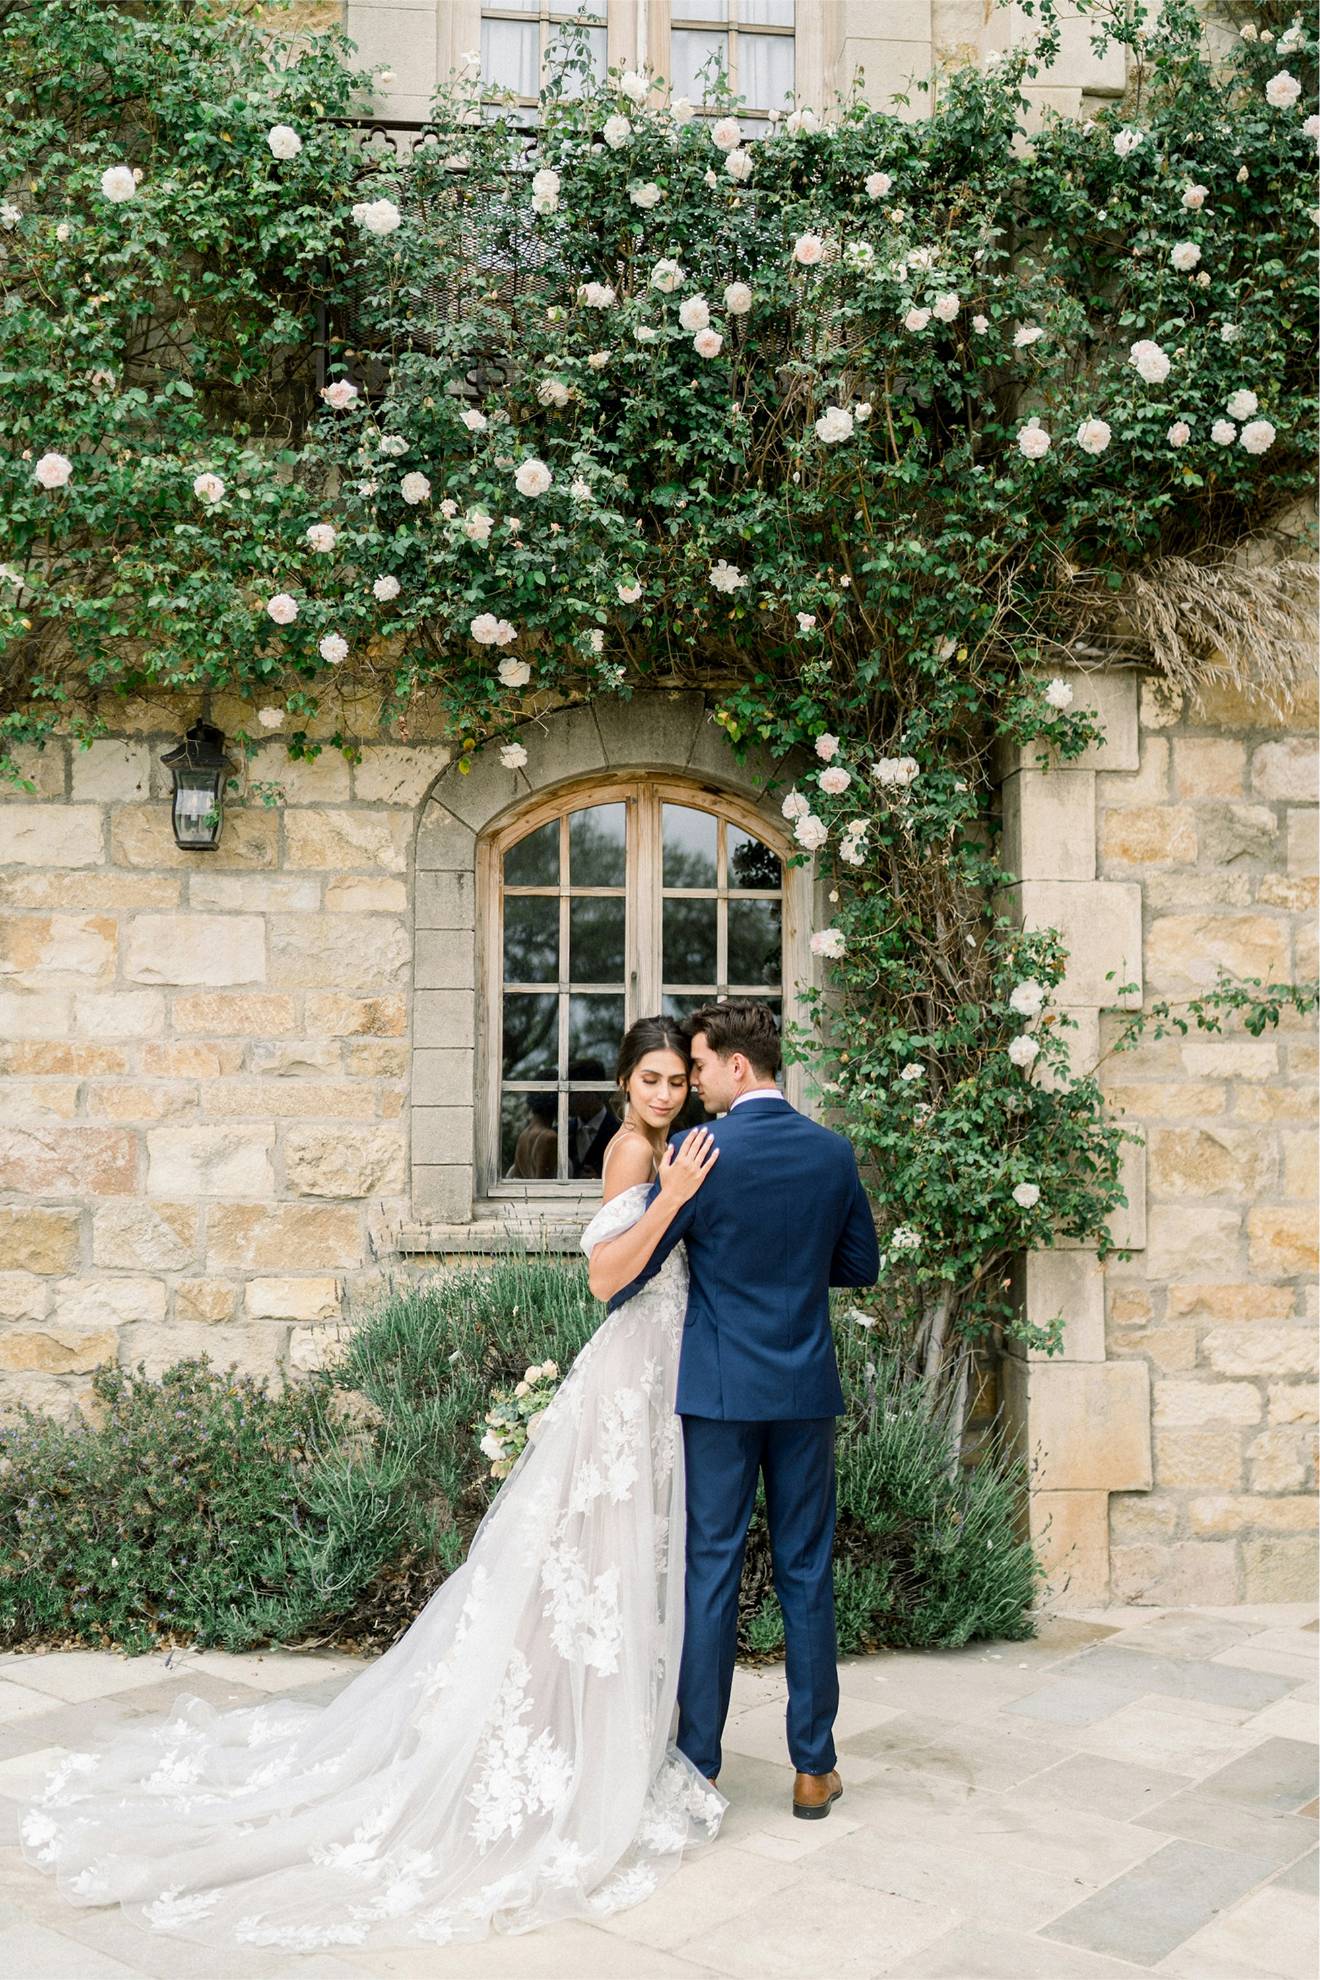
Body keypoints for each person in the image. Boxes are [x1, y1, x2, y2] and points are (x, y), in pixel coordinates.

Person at [19, 1017, 723, 1955]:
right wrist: (674, 1200)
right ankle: (568, 1738)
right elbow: (605, 1279)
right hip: (631, 1365)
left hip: (658, 1373)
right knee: (591, 1560)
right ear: (626, 1084)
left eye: (676, 1080)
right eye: (650, 1079)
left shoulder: (667, 1147)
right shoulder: (634, 1154)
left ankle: (593, 1725)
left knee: (604, 1563)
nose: (665, 1093)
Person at [588, 999, 880, 1818]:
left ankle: (702, 1766)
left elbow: (635, 1274)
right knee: (806, 1571)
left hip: (719, 1392)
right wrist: (792, 1272)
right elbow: (861, 1265)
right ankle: (814, 1768)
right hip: (804, 1390)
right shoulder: (831, 1151)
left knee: (711, 1570)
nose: (695, 1082)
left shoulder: (699, 1152)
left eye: (701, 1067)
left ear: (737, 1066)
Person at [566, 1057, 620, 1179]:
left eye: (574, 1092)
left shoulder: (619, 1132)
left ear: (595, 1092)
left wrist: (600, 1180)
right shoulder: (562, 1132)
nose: (569, 1099)